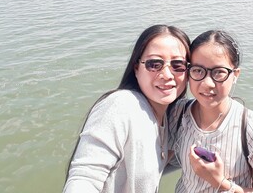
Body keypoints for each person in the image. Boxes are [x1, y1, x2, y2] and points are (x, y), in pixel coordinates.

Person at [63, 24, 190, 193]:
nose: (167, 74)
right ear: (136, 68)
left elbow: (155, 163)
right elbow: (84, 178)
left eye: (178, 65)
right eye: (154, 64)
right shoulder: (122, 105)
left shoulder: (166, 119)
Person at [168, 30, 253, 193]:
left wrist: (219, 181)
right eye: (198, 70)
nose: (207, 83)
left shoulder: (249, 127)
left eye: (219, 72)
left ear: (235, 74)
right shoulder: (178, 113)